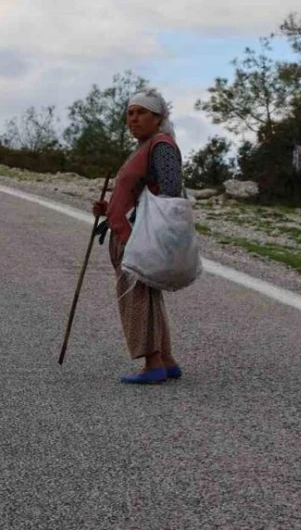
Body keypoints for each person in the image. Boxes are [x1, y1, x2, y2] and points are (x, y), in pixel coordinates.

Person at [92, 89, 183, 384]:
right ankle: (166, 360)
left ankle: (152, 364)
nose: (133, 118)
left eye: (141, 112)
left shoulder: (162, 146)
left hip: (138, 236)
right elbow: (140, 191)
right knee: (147, 295)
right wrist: (109, 208)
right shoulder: (146, 147)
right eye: (130, 113)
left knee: (136, 298)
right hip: (128, 230)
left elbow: (169, 193)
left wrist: (149, 229)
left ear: (158, 118)